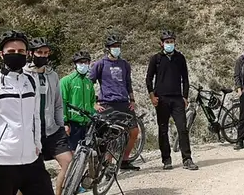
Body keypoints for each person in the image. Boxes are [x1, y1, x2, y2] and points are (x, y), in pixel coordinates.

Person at [0, 30, 54, 195]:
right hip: (2, 164)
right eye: (11, 51)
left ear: (27, 54)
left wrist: (37, 144)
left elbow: (35, 116)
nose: (17, 54)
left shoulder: (31, 81)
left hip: (32, 161)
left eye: (21, 51)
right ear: (1, 54)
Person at [24, 37, 72, 195]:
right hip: (31, 132)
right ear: (31, 53)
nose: (43, 56)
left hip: (52, 130)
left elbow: (58, 104)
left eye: (46, 53)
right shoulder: (22, 74)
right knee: (25, 174)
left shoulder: (53, 75)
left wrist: (61, 125)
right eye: (39, 52)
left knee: (69, 163)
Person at [145, 30, 199, 171]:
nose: (170, 44)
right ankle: (166, 160)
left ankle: (187, 159)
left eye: (172, 41)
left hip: (177, 99)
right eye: (167, 42)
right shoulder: (156, 59)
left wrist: (185, 96)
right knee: (163, 130)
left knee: (182, 129)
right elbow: (149, 78)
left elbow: (185, 79)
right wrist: (152, 96)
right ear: (161, 43)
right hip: (161, 99)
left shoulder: (180, 58)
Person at [89, 33, 140, 171]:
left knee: (134, 132)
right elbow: (89, 84)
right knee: (109, 136)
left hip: (123, 102)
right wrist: (93, 103)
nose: (116, 48)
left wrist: (132, 99)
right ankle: (107, 165)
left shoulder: (125, 64)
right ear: (108, 48)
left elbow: (128, 83)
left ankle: (125, 160)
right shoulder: (100, 64)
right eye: (114, 46)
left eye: (118, 46)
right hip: (107, 103)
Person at [60, 50, 96, 151]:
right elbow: (61, 102)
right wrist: (65, 123)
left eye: (86, 62)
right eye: (80, 62)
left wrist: (94, 116)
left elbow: (92, 102)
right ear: (75, 64)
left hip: (87, 125)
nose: (83, 65)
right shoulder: (66, 81)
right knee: (72, 154)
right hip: (72, 124)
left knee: (87, 153)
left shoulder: (89, 83)